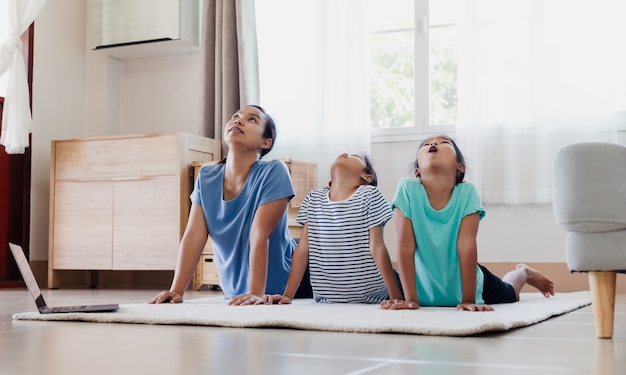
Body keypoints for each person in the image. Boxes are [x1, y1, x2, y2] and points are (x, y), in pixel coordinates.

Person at [150, 105, 310, 306]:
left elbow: (259, 235)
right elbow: (193, 236)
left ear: (265, 142)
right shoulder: (207, 177)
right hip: (235, 290)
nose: (238, 120)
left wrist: (255, 292)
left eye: (252, 119)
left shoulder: (274, 171)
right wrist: (176, 290)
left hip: (296, 277)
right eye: (236, 116)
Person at [381, 135, 554, 312]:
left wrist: (469, 299)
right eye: (426, 145)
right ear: (417, 171)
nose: (433, 144)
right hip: (423, 286)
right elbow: (405, 246)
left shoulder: (467, 192)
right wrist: (411, 301)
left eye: (444, 143)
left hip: (470, 283)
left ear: (459, 167)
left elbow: (466, 244)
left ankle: (523, 272)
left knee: (511, 293)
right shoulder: (407, 189)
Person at [265, 153, 403, 304]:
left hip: (374, 293)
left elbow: (377, 246)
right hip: (328, 298)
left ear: (367, 177)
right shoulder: (314, 199)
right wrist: (287, 295)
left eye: (354, 156)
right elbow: (303, 249)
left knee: (410, 286)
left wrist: (395, 295)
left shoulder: (369, 195)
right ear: (330, 183)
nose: (344, 154)